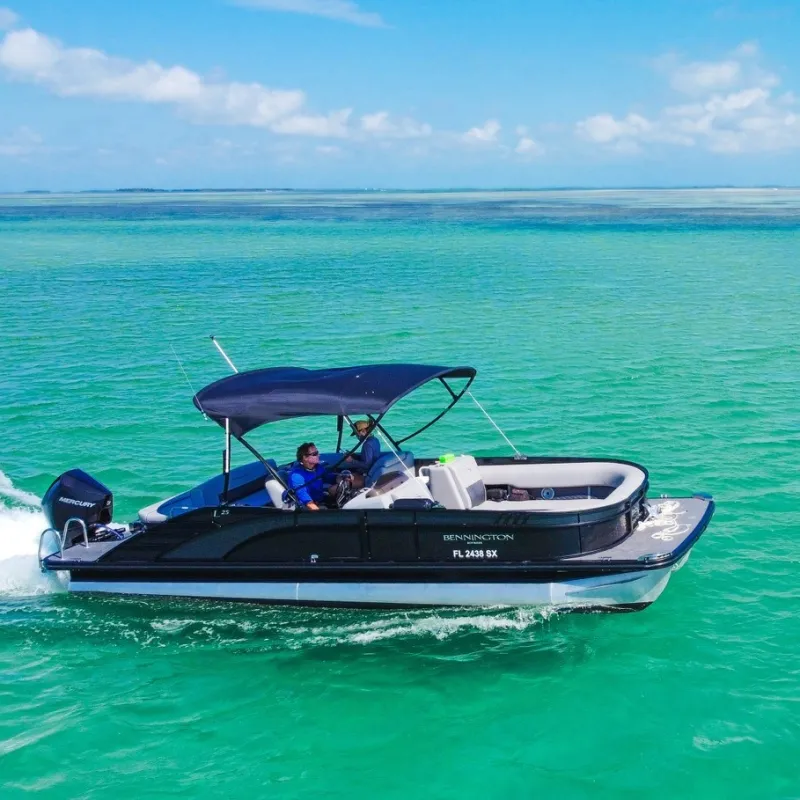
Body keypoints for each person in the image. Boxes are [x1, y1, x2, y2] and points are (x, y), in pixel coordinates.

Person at [286, 442, 352, 511]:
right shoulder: (297, 476)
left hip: (321, 500)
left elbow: (329, 477)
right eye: (315, 454)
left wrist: (342, 477)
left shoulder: (318, 468)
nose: (318, 455)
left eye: (317, 452)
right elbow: (308, 503)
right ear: (305, 457)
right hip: (307, 509)